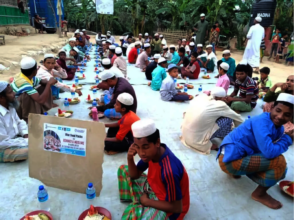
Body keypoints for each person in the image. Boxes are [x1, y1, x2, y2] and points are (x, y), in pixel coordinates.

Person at [217, 93, 294, 210]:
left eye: (287, 115)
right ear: (271, 108)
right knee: (280, 163)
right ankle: (259, 194)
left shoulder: (278, 127)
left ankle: (236, 172)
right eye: (278, 110)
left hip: (232, 155)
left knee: (282, 170)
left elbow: (266, 147)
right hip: (228, 161)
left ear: (291, 118)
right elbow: (269, 152)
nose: (280, 116)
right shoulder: (262, 122)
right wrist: (287, 139)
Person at [118, 119, 190, 219]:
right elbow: (135, 175)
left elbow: (177, 208)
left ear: (157, 142)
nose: (141, 153)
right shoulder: (151, 154)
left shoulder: (169, 171)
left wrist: (147, 202)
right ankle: (139, 203)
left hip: (168, 205)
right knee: (123, 170)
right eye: (137, 147)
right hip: (152, 187)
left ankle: (141, 204)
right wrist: (130, 158)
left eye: (145, 147)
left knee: (138, 217)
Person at [181, 87, 243, 154]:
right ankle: (223, 137)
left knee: (211, 117)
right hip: (197, 142)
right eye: (224, 97)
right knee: (229, 119)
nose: (225, 99)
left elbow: (184, 114)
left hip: (185, 135)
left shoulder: (201, 98)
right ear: (219, 98)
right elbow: (238, 118)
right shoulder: (221, 105)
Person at [10, 57, 57, 122]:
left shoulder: (27, 76)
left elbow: (41, 81)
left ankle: (41, 110)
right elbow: (40, 100)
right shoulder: (23, 82)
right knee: (27, 95)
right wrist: (49, 84)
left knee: (43, 87)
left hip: (18, 103)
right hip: (15, 106)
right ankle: (28, 118)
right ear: (35, 71)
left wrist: (48, 81)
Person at [0, 82, 29, 162]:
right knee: (26, 152)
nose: (14, 93)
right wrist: (26, 142)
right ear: (1, 97)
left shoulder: (10, 105)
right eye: (10, 92)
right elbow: (2, 142)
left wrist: (26, 135)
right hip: (3, 146)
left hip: (15, 140)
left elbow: (19, 122)